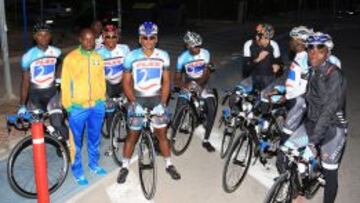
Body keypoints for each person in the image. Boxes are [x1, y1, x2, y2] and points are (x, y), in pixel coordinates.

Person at [282, 32, 347, 203]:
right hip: (312, 123)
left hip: (333, 128)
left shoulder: (334, 75)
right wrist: (282, 94)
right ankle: (298, 193)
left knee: (329, 172)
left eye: (320, 49)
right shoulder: (313, 71)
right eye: (310, 48)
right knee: (284, 156)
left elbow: (328, 111)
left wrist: (312, 143)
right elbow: (306, 97)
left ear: (328, 53)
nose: (314, 52)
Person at [117, 21, 181, 183]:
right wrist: (133, 103)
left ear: (156, 39)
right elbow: (125, 83)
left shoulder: (163, 56)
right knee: (132, 135)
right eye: (144, 38)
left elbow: (166, 82)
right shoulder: (131, 56)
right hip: (137, 98)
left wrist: (163, 103)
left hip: (156, 98)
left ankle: (169, 164)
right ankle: (124, 166)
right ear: (139, 39)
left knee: (162, 135)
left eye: (151, 38)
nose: (148, 41)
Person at [61, 28, 107, 186]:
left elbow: (102, 79)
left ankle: (94, 164)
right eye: (86, 39)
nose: (89, 42)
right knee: (76, 142)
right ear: (80, 39)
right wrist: (68, 106)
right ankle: (77, 171)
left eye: (92, 39)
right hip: (78, 108)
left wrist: (102, 99)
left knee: (95, 138)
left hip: (97, 106)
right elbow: (65, 84)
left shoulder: (98, 57)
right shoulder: (71, 58)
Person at [17, 21, 68, 142]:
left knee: (57, 122)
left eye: (46, 34)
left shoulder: (57, 52)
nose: (44, 37)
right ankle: (52, 133)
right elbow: (25, 82)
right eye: (40, 35)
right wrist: (22, 105)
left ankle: (67, 146)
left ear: (50, 36)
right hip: (35, 95)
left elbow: (62, 64)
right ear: (35, 37)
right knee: (36, 125)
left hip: (52, 93)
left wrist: (58, 78)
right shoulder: (27, 56)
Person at [174, 31, 217, 152]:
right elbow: (176, 78)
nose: (198, 48)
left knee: (211, 106)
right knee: (180, 106)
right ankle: (172, 137)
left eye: (200, 45)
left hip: (203, 81)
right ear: (188, 46)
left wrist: (198, 85)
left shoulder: (205, 53)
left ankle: (206, 140)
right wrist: (184, 85)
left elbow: (206, 73)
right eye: (195, 46)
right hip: (188, 81)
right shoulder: (182, 58)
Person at [96, 23, 130, 136]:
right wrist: (103, 94)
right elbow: (96, 76)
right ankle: (110, 132)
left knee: (130, 106)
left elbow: (130, 70)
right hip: (107, 84)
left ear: (118, 37)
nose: (111, 40)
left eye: (114, 36)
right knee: (109, 108)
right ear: (103, 37)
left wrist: (129, 90)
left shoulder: (124, 49)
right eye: (107, 37)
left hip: (122, 82)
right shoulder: (98, 53)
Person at [242, 23, 282, 91]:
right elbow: (245, 68)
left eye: (269, 38)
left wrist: (278, 67)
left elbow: (280, 64)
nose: (267, 41)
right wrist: (258, 59)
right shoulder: (249, 45)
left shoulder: (274, 45)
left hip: (269, 77)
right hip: (253, 77)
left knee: (267, 99)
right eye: (265, 38)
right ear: (257, 37)